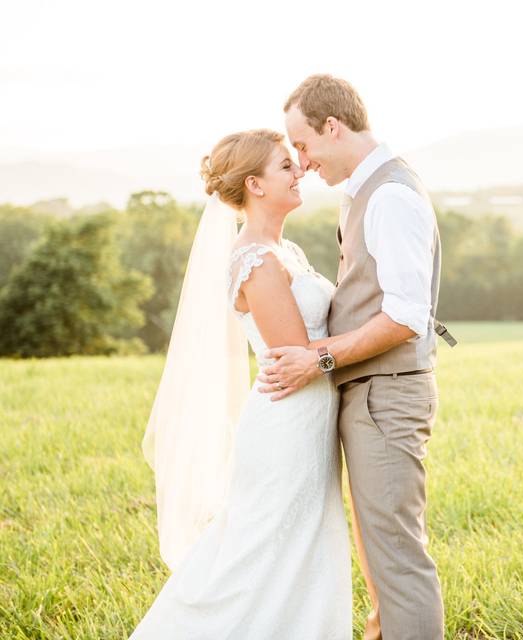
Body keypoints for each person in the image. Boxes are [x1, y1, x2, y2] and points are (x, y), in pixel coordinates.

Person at [131, 128, 351, 639]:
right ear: (254, 184)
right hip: (286, 424)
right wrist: (388, 332)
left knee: (300, 549)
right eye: (285, 166)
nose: (300, 171)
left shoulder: (285, 250)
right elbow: (298, 354)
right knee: (259, 553)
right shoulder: (256, 259)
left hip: (308, 418)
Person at [256, 74, 452, 640]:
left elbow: (406, 316)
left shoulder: (388, 194)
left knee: (397, 557)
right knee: (377, 554)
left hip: (387, 396)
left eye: (304, 144)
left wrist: (318, 358)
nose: (302, 160)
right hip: (370, 394)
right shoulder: (367, 192)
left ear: (333, 126)